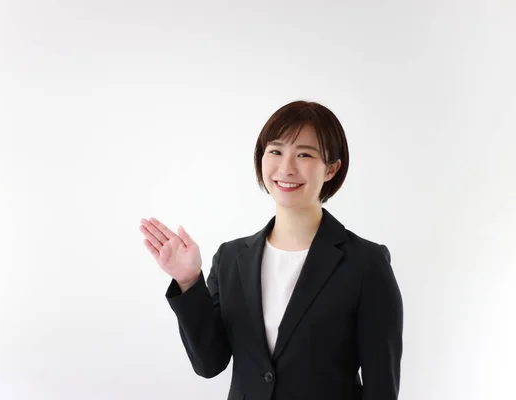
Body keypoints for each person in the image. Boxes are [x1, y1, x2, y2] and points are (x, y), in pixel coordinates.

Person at [139, 100, 403, 400]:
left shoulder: (365, 264)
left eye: (304, 154)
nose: (286, 168)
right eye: (275, 151)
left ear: (331, 168)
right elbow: (209, 364)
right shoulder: (231, 259)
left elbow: (382, 386)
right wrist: (188, 282)